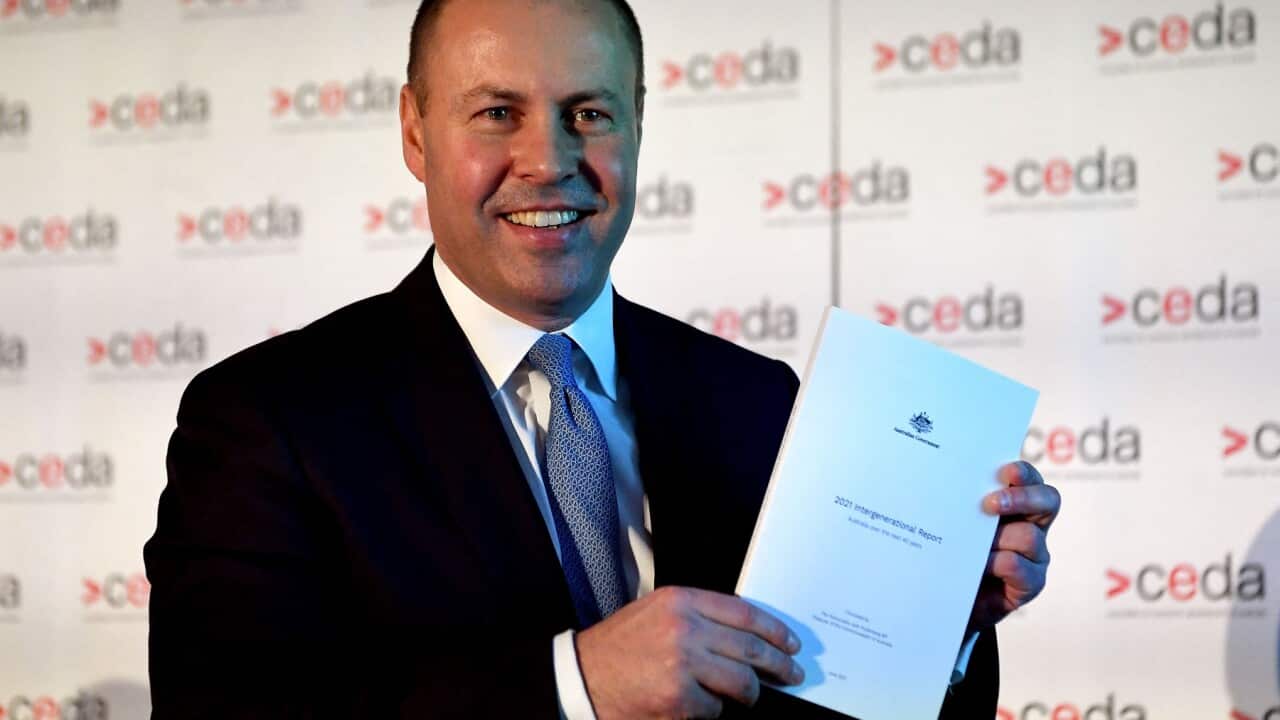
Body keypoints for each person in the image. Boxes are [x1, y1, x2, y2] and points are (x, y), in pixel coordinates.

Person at [143, 0, 1062, 717]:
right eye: (497, 112)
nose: (548, 159)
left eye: (588, 112)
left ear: (637, 125)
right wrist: (571, 687)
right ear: (416, 134)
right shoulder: (269, 418)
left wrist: (940, 624)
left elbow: (818, 702)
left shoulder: (754, 401)